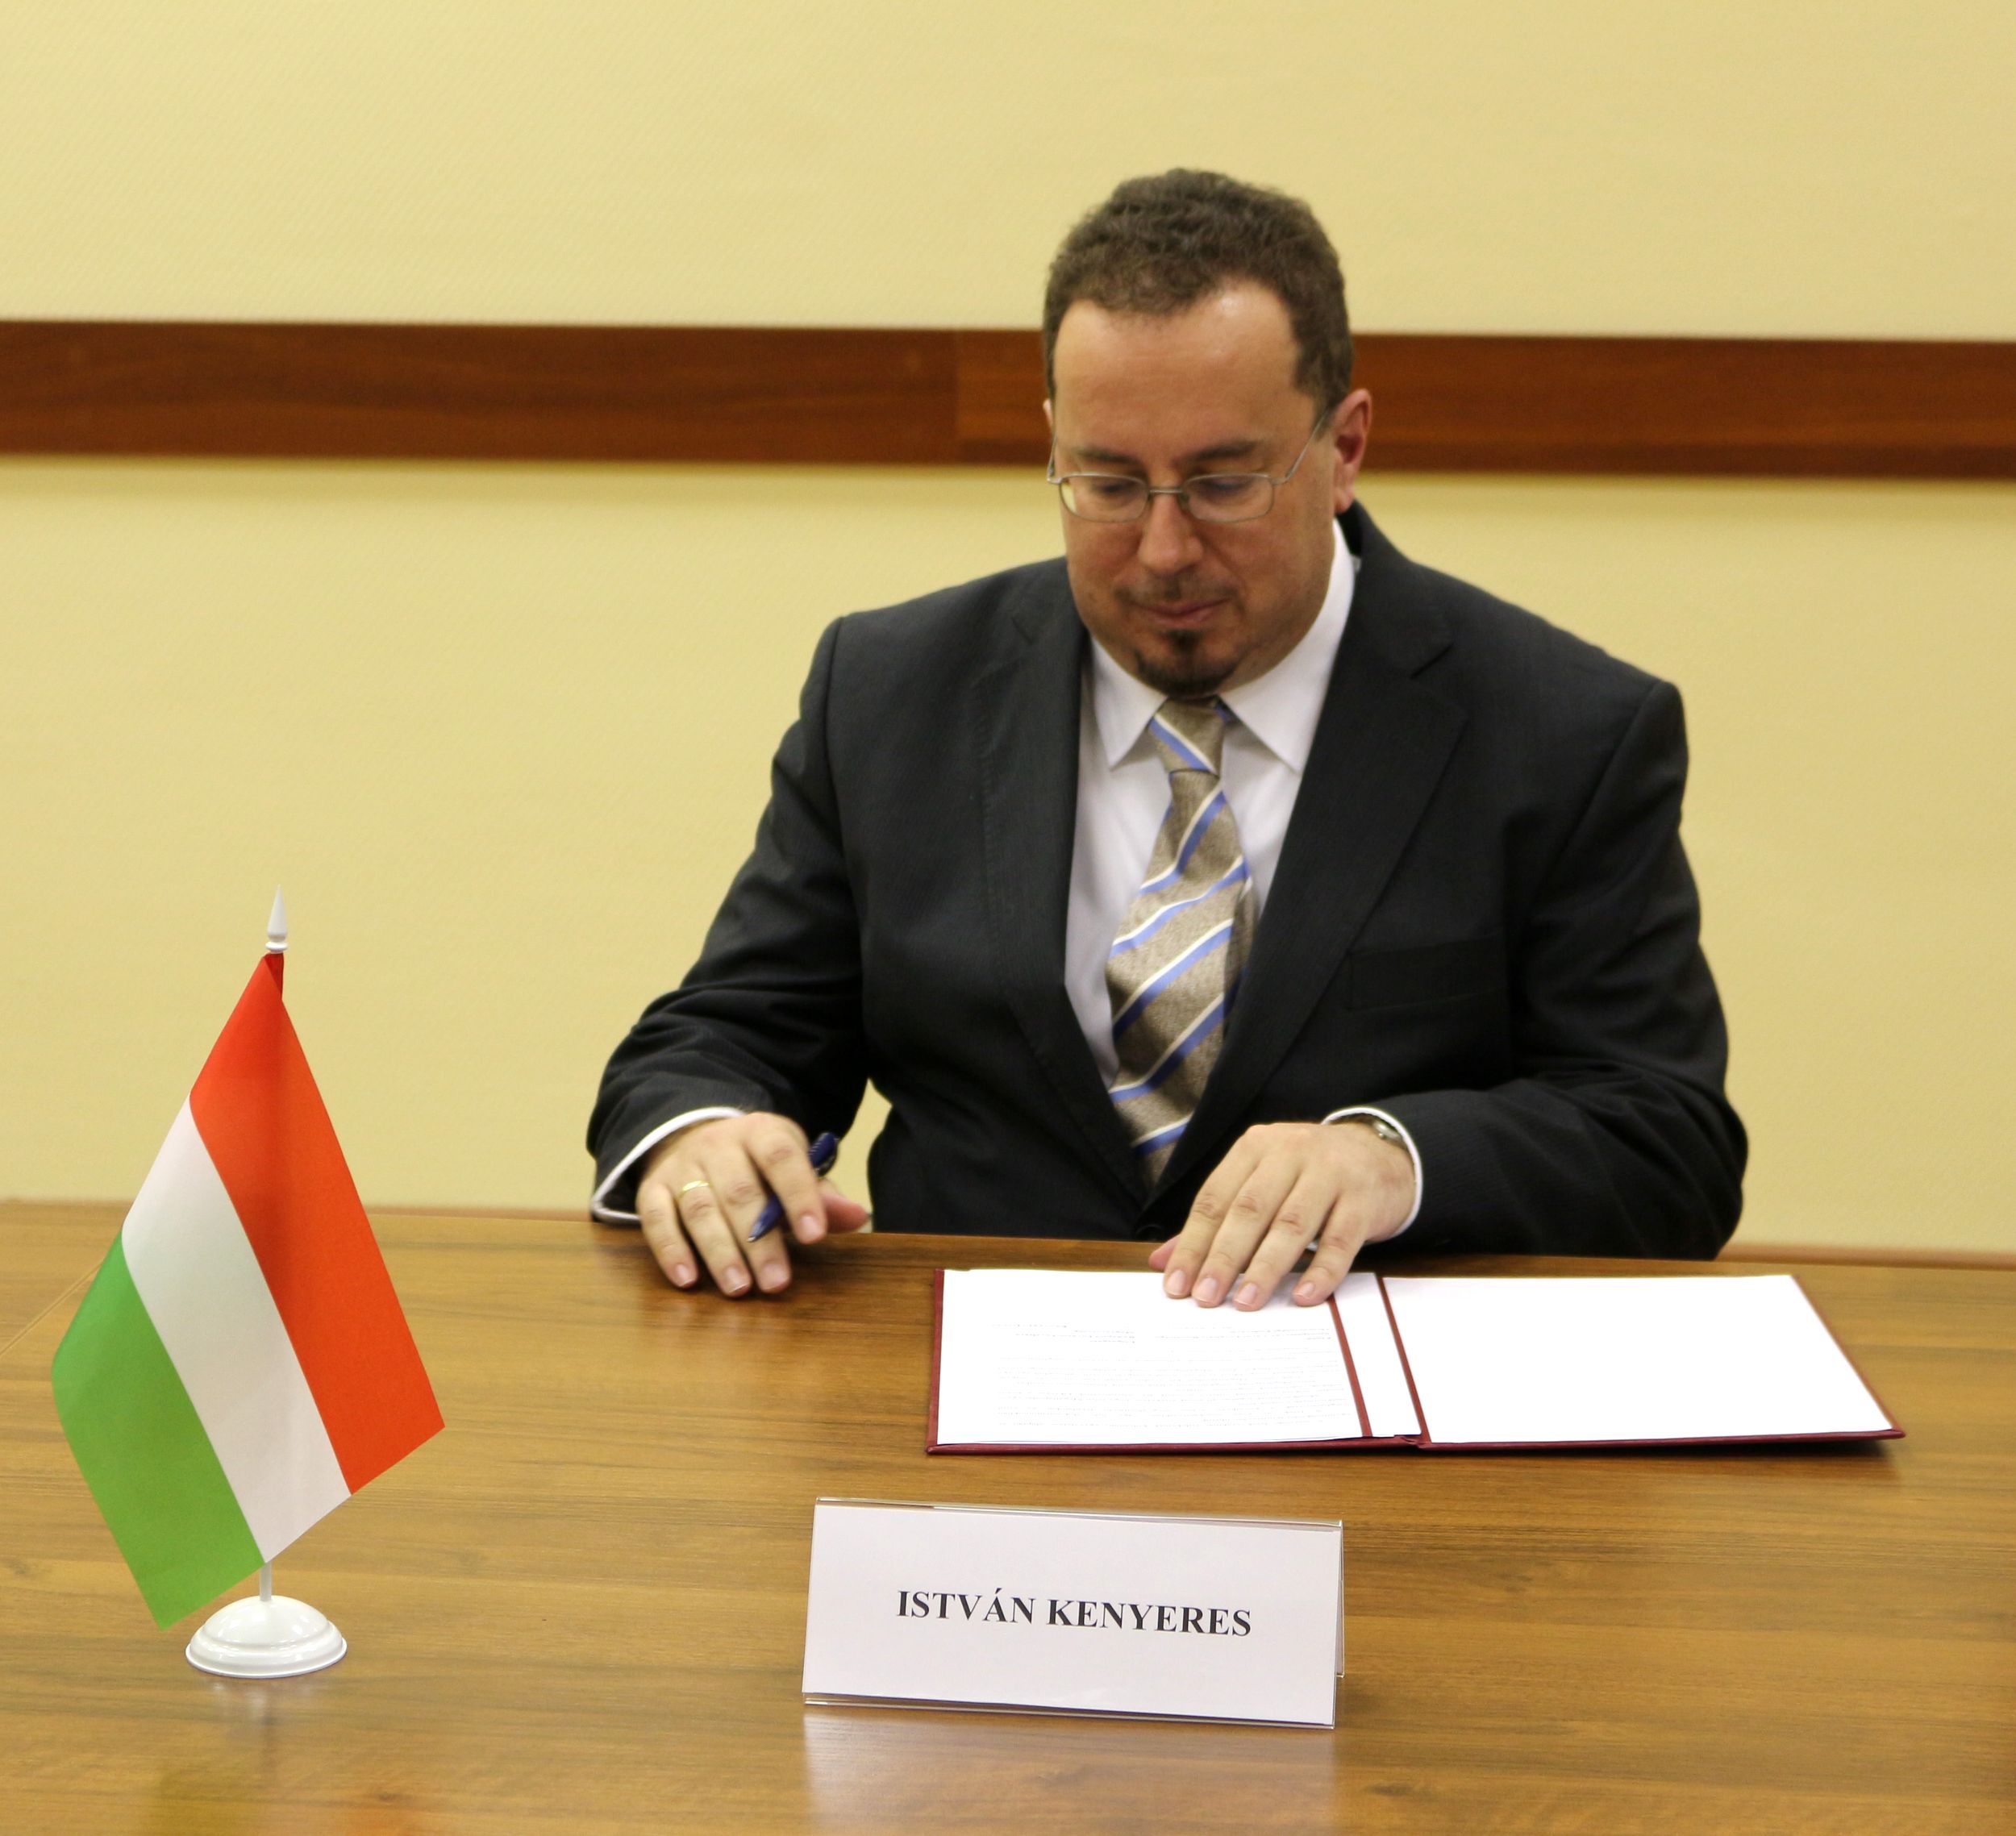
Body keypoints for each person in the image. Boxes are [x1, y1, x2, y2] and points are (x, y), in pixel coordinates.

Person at [588, 169, 1744, 1311]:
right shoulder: (892, 691)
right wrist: (701, 1135)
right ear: (1053, 442)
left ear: (1344, 448)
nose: (1163, 550)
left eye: (1223, 483)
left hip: (1353, 1375)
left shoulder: (1564, 730)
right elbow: (727, 1036)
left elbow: (1667, 1143)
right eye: (1107, 483)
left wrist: (1396, 1158)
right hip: (955, 1371)